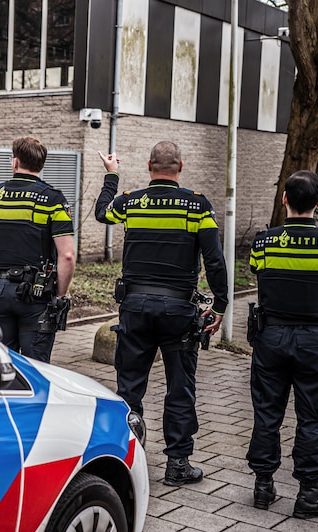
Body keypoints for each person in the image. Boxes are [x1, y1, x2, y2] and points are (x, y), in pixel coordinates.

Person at [94, 142, 227, 486]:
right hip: (179, 312)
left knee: (129, 387)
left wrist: (112, 175)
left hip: (135, 308)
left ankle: (127, 459)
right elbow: (214, 260)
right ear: (180, 166)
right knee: (180, 388)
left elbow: (101, 212)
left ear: (149, 165)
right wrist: (220, 305)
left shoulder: (132, 202)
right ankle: (178, 465)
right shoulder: (197, 206)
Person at [246, 170, 318, 518]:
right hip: (317, 342)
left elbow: (255, 270)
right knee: (312, 419)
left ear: (284, 199)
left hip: (271, 338)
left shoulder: (264, 242)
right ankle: (308, 495)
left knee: (267, 413)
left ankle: (263, 487)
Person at [0, 136, 76, 363]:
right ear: (41, 164)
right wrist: (60, 295)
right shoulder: (53, 201)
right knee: (35, 368)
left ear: (15, 163)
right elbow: (67, 255)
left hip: (0, 291)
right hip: (37, 295)